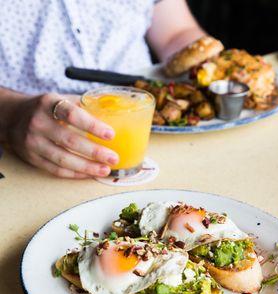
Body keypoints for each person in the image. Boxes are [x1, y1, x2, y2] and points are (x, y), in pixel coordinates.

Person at [0, 0, 206, 178]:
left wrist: (213, 69)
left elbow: (175, 33)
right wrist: (11, 114)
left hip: (159, 141)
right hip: (27, 157)